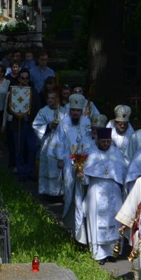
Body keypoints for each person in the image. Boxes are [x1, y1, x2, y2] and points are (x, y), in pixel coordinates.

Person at [74, 127, 127, 264]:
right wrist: (81, 176)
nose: (106, 144)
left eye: (108, 141)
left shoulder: (116, 153)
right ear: (97, 140)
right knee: (96, 220)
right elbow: (86, 180)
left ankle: (113, 252)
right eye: (103, 141)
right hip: (95, 190)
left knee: (115, 220)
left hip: (114, 191)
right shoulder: (91, 153)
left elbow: (123, 173)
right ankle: (99, 254)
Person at [49, 94, 93, 232]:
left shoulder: (87, 122)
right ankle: (68, 220)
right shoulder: (64, 123)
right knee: (69, 190)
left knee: (82, 190)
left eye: (78, 110)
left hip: (84, 161)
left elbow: (90, 140)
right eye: (73, 110)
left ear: (81, 111)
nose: (75, 113)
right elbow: (59, 141)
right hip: (68, 162)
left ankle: (82, 224)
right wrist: (60, 159)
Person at [7, 68, 41, 180]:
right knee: (19, 149)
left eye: (27, 78)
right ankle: (21, 171)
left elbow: (38, 107)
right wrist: (17, 112)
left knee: (32, 148)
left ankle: (30, 171)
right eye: (23, 78)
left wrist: (33, 120)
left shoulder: (33, 91)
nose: (25, 80)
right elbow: (8, 108)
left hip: (30, 125)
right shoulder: (14, 91)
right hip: (18, 123)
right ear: (18, 78)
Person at [34, 90, 67, 197]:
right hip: (48, 142)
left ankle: (61, 192)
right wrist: (49, 126)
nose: (50, 100)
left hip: (62, 142)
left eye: (52, 98)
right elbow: (36, 125)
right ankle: (48, 192)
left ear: (57, 99)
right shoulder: (43, 111)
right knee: (49, 165)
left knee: (61, 166)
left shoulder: (64, 111)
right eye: (48, 98)